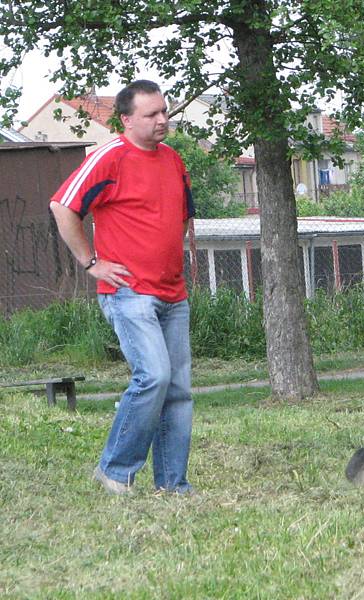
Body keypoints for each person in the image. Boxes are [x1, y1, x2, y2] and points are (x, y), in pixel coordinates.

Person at [49, 80, 196, 495]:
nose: (162, 120)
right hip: (129, 292)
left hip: (173, 292)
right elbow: (62, 205)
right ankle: (115, 471)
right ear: (127, 119)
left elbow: (183, 216)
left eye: (164, 112)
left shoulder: (173, 160)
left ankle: (172, 483)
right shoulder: (110, 157)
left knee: (178, 390)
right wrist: (92, 262)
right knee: (154, 376)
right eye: (151, 115)